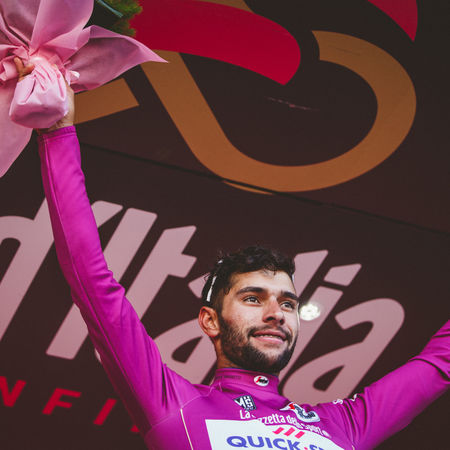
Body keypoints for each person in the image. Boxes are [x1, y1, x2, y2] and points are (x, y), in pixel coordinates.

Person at [15, 59, 449, 449]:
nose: (277, 314)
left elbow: (439, 361)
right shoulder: (175, 404)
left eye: (288, 303)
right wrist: (57, 134)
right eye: (253, 298)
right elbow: (93, 282)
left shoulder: (343, 425)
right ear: (210, 321)